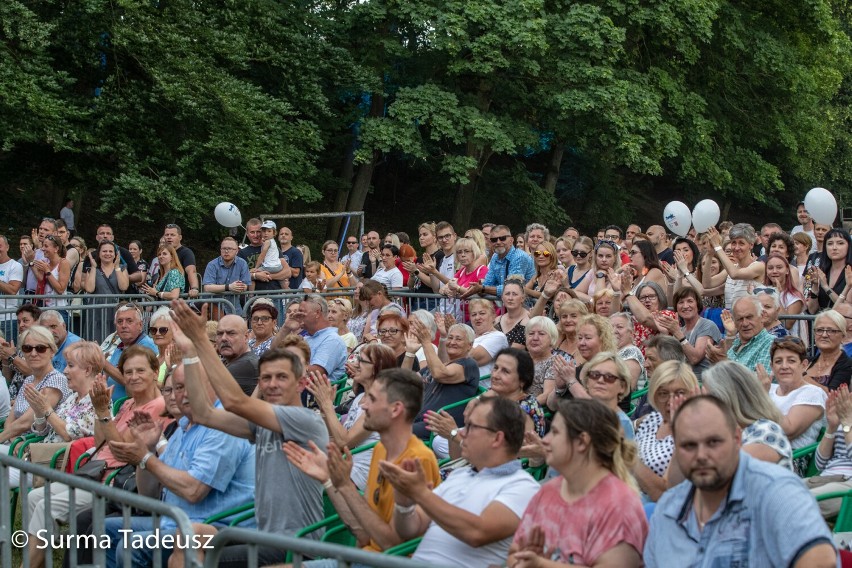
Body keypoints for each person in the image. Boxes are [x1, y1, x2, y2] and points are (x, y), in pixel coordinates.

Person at [168, 301, 329, 567]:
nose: (272, 384)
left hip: (296, 543)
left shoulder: (305, 420)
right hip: (262, 535)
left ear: (301, 383)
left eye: (281, 377)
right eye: (265, 378)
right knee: (188, 535)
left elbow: (234, 401)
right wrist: (189, 352)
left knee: (207, 559)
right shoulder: (264, 423)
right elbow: (202, 414)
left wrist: (200, 338)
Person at [644, 395, 836, 568]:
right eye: (688, 445)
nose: (701, 455)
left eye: (713, 442)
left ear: (737, 438)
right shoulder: (668, 510)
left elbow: (821, 561)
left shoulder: (777, 491)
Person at [24, 345, 169, 568]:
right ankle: (40, 562)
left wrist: (102, 412)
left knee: (46, 506)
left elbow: (120, 448)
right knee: (35, 497)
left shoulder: (156, 406)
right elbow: (102, 442)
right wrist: (100, 410)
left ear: (154, 371)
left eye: (140, 371)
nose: (133, 377)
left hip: (115, 480)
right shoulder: (129, 403)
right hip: (97, 471)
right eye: (128, 372)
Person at [103, 363, 256, 568]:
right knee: (106, 529)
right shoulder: (185, 425)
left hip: (216, 527)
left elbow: (194, 490)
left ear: (212, 385)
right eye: (176, 388)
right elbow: (149, 494)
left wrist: (147, 459)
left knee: (131, 545)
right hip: (176, 520)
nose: (181, 395)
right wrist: (146, 451)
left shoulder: (224, 424)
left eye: (190, 385)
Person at [383, 396, 541, 566]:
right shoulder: (460, 475)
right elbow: (410, 530)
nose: (462, 433)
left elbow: (477, 533)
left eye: (470, 426)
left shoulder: (523, 487)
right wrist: (404, 505)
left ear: (497, 438)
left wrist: (421, 494)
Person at [509, 399, 648, 568]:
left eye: (554, 432)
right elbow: (515, 552)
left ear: (582, 442)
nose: (545, 440)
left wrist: (541, 564)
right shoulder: (548, 491)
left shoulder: (621, 504)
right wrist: (522, 561)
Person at [306, 343, 397, 490]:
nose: (355, 363)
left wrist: (328, 405)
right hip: (346, 463)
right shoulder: (360, 397)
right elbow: (335, 438)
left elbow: (344, 442)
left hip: (362, 472)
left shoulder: (381, 402)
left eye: (361, 360)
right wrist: (324, 409)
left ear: (377, 368)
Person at [702, 361, 792, 469]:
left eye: (707, 399)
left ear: (727, 399)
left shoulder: (767, 430)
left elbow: (720, 471)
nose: (701, 405)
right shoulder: (725, 430)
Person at [633, 361, 699, 502]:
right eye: (663, 393)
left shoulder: (696, 431)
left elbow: (666, 492)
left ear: (691, 394)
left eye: (679, 393)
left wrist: (629, 460)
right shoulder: (651, 420)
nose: (670, 401)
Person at [405, 319, 479, 440]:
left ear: (469, 345)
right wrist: (409, 353)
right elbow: (405, 382)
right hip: (416, 417)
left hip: (437, 426)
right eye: (450, 338)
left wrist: (426, 343)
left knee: (394, 430)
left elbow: (439, 374)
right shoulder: (437, 365)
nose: (452, 342)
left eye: (458, 339)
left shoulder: (469, 364)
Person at [0, 325, 69, 444]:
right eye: (27, 348)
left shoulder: (56, 380)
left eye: (40, 348)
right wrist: (14, 440)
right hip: (17, 443)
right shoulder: (29, 380)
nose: (33, 353)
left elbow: (26, 422)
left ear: (52, 351)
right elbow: (9, 421)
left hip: (37, 445)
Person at [762, 336, 826, 452]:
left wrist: (762, 396)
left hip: (793, 458)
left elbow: (788, 430)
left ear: (803, 365)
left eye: (791, 361)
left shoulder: (812, 393)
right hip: (759, 450)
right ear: (772, 366)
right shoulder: (770, 389)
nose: (784, 366)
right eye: (778, 361)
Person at [654, 286, 721, 377]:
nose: (685, 306)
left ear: (697, 304)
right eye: (681, 302)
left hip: (703, 382)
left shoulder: (707, 325)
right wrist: (664, 332)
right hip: (682, 381)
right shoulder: (681, 330)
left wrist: (677, 333)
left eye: (690, 301)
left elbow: (695, 358)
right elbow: (668, 361)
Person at [101, 302, 159, 401]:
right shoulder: (121, 346)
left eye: (129, 321)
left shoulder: (146, 346)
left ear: (140, 325)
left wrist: (102, 362)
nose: (123, 325)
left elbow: (133, 379)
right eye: (120, 321)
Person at [462, 225, 535, 299]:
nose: (498, 242)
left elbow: (512, 289)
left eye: (502, 238)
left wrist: (482, 289)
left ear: (511, 240)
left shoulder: (519, 256)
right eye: (494, 240)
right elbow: (488, 283)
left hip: (527, 306)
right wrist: (480, 288)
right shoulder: (495, 257)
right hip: (507, 305)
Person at [705, 224, 766, 309]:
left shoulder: (759, 266)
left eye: (741, 243)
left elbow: (734, 274)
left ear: (751, 245)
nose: (736, 248)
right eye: (734, 243)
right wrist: (709, 254)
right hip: (729, 321)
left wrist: (717, 246)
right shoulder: (731, 268)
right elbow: (707, 284)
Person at [709, 296, 773, 372]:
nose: (745, 323)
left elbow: (758, 382)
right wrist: (730, 334)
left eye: (749, 317)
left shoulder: (770, 344)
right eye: (740, 319)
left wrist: (724, 363)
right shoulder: (736, 342)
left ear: (762, 316)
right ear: (734, 321)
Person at [82, 240, 130, 340]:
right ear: (99, 253)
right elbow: (89, 289)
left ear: (115, 254)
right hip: (96, 312)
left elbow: (124, 287)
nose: (107, 254)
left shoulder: (122, 268)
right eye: (104, 251)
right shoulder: (91, 269)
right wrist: (94, 267)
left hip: (116, 311)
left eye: (110, 251)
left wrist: (116, 267)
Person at [298, 294, 348, 381]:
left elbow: (316, 373)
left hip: (316, 392)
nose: (298, 315)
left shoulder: (332, 340)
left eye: (302, 312)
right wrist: (286, 329)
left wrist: (286, 366)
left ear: (317, 313)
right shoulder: (307, 338)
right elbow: (273, 354)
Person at [0, 304, 42, 402]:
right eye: (19, 322)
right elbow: (8, 378)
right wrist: (6, 360)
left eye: (25, 320)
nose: (21, 325)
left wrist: (12, 356)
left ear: (37, 322)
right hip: (11, 398)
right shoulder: (22, 344)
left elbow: (34, 373)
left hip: (27, 400)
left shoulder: (42, 345)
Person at [805, 309, 852, 391]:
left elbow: (832, 396)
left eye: (831, 331)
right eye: (819, 330)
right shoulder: (807, 362)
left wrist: (801, 376)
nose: (824, 335)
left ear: (843, 336)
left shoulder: (847, 365)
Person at [525, 316, 569, 405]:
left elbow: (546, 396)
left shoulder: (554, 363)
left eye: (541, 334)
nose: (535, 338)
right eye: (531, 333)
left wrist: (523, 407)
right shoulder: (519, 357)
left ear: (552, 339)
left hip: (530, 410)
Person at [202, 237, 251, 316]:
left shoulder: (242, 263)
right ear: (220, 250)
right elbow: (207, 287)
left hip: (235, 307)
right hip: (213, 306)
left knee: (238, 327)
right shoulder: (212, 264)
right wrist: (229, 287)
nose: (226, 251)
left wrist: (240, 286)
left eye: (230, 249)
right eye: (224, 248)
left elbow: (246, 285)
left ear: (237, 251)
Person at [807, 228, 852, 311]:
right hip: (821, 322)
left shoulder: (850, 272)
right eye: (830, 244)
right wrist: (815, 286)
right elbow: (812, 310)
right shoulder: (822, 271)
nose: (834, 248)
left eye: (840, 243)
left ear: (849, 246)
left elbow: (847, 308)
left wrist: (826, 287)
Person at [237, 219, 287, 291]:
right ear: (247, 234)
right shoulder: (242, 253)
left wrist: (268, 276)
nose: (255, 235)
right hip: (253, 298)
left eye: (258, 232)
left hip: (274, 293)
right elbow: (239, 275)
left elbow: (287, 272)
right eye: (252, 232)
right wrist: (255, 276)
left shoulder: (274, 249)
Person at [468, 298, 508, 381]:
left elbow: (473, 357)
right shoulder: (468, 336)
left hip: (484, 390)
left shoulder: (498, 336)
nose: (477, 318)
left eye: (482, 313)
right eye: (473, 315)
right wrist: (444, 337)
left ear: (493, 316)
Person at [610, 312, 647, 391]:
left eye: (619, 327)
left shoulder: (632, 352)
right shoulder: (611, 352)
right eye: (610, 327)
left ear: (631, 333)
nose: (613, 331)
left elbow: (625, 389)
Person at [31, 234, 70, 307]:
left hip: (59, 308)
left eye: (46, 246)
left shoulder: (64, 263)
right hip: (44, 306)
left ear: (56, 249)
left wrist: (47, 271)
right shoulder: (45, 261)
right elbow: (40, 279)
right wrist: (31, 262)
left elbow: (60, 290)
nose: (42, 249)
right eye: (42, 246)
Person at [162, 223, 200, 297]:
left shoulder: (186, 252)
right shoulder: (162, 254)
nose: (169, 237)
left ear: (180, 237)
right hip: (162, 296)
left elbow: (191, 271)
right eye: (167, 235)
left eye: (172, 235)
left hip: (179, 298)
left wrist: (194, 288)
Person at [494, 278, 529, 349]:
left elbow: (516, 350)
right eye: (507, 294)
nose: (510, 298)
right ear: (502, 298)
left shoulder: (528, 319)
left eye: (515, 294)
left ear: (522, 298)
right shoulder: (497, 320)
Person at [0, 235, 24, 340]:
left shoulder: (15, 266)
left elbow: (13, 290)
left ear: (7, 247)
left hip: (7, 318)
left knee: (8, 353)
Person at [148, 307, 176, 385]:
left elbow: (174, 388)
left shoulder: (177, 358)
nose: (157, 333)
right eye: (154, 330)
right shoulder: (155, 358)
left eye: (163, 330)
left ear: (174, 331)